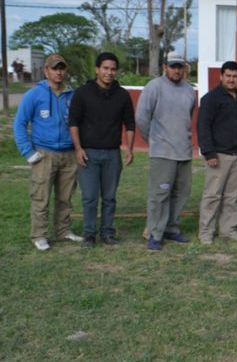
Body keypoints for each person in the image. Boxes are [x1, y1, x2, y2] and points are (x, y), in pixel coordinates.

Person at [13, 54, 83, 251]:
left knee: (65, 197)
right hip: (44, 153)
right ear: (46, 71)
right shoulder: (34, 95)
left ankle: (63, 230)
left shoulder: (73, 94)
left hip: (69, 153)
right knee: (41, 196)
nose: (59, 72)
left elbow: (80, 122)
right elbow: (19, 124)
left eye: (61, 68)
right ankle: (39, 235)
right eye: (54, 68)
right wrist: (28, 151)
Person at [68, 52, 136, 248]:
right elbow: (73, 123)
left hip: (112, 154)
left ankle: (107, 233)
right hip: (88, 152)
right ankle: (89, 235)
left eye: (113, 69)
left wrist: (129, 149)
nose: (109, 72)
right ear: (97, 69)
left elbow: (129, 124)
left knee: (109, 197)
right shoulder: (82, 92)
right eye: (105, 68)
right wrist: (78, 148)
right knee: (89, 197)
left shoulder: (122, 95)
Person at [135, 52, 197, 251]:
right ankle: (155, 233)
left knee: (181, 193)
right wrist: (153, 140)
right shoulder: (154, 87)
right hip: (162, 151)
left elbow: (188, 116)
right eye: (173, 66)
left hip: (184, 151)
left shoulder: (189, 90)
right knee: (159, 195)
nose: (176, 70)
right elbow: (142, 118)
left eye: (180, 66)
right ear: (165, 66)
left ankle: (171, 227)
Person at [197, 61, 237, 245]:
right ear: (221, 76)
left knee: (232, 196)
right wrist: (209, 153)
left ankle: (228, 229)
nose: (231, 79)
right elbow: (203, 126)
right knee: (212, 196)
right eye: (228, 76)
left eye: (235, 76)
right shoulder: (210, 99)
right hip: (218, 155)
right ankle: (206, 232)